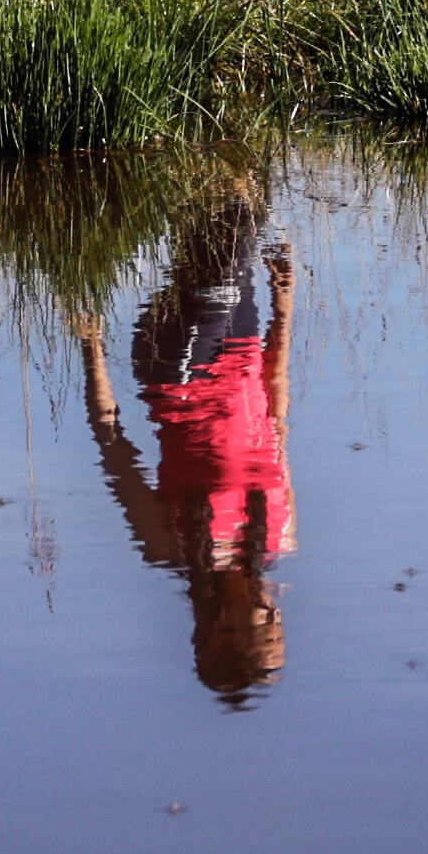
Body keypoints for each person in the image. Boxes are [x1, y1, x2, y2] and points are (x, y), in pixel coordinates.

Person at [77, 187, 296, 702]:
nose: (272, 614)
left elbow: (113, 444)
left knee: (233, 228)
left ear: (213, 630)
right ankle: (180, 162)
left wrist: (92, 345)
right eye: (277, 630)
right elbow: (275, 416)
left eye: (260, 630)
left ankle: (205, 162)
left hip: (176, 370)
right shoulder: (281, 535)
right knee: (219, 237)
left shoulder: (168, 546)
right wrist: (284, 312)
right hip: (242, 345)